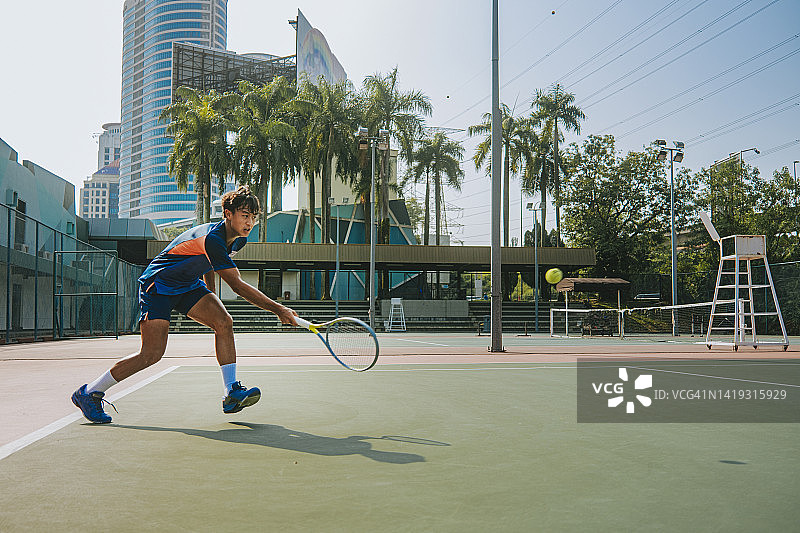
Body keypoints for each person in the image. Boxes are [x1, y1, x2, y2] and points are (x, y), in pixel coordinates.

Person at [71, 185, 298, 423]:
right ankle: (89, 393)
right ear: (228, 214)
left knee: (223, 322)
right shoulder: (214, 238)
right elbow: (238, 286)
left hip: (188, 284)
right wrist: (279, 309)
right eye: (244, 215)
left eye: (253, 217)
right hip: (158, 284)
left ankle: (232, 392)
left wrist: (209, 295)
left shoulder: (237, 240)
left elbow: (210, 264)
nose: (250, 222)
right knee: (151, 354)